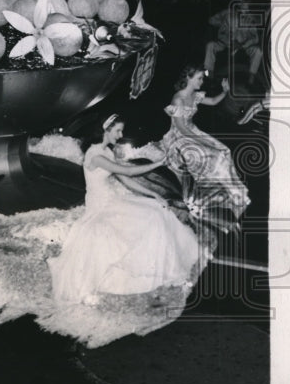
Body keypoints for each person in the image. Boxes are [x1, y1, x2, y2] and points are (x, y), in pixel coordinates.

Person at [48, 114, 202, 305]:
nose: (121, 135)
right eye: (118, 130)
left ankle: (162, 270)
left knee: (156, 210)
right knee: (149, 218)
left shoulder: (107, 151)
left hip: (113, 199)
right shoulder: (95, 155)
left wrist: (152, 194)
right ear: (106, 130)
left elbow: (126, 179)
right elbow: (127, 171)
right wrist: (160, 163)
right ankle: (145, 275)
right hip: (99, 206)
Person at [160, 65, 250, 219]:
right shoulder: (178, 99)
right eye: (199, 78)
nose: (202, 81)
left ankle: (236, 196)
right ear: (188, 78)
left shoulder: (194, 95)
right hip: (180, 137)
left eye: (202, 78)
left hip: (193, 132)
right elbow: (181, 128)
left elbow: (213, 101)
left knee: (224, 151)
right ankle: (220, 199)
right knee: (214, 158)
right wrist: (202, 141)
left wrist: (225, 91)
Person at [204, 6, 264, 89]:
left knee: (258, 51)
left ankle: (251, 80)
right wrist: (229, 42)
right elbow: (221, 34)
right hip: (226, 44)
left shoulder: (250, 20)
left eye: (246, 9)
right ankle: (209, 78)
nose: (244, 11)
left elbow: (255, 38)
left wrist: (243, 45)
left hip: (244, 46)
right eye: (242, 8)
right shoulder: (228, 18)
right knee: (210, 45)